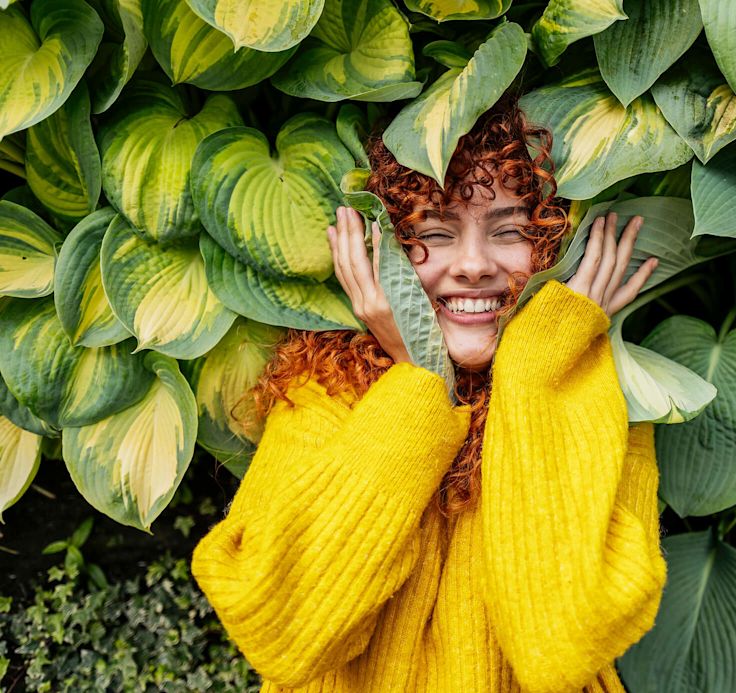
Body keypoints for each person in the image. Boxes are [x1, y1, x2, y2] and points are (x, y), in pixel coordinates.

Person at [190, 96, 667, 693]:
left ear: (552, 243)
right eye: (434, 232)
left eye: (511, 230)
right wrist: (419, 384)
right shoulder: (328, 391)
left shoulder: (596, 401)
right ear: (383, 248)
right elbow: (284, 631)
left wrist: (535, 375)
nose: (472, 264)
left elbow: (562, 646)